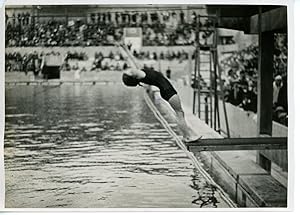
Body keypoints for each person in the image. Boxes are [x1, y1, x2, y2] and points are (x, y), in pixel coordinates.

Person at [116, 42, 201, 143]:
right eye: (129, 73)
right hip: (168, 91)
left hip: (165, 91)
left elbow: (130, 58)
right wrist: (123, 49)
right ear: (133, 76)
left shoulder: (140, 74)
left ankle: (185, 136)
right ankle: (187, 136)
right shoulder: (140, 74)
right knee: (179, 113)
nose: (129, 70)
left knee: (179, 113)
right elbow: (129, 60)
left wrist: (123, 48)